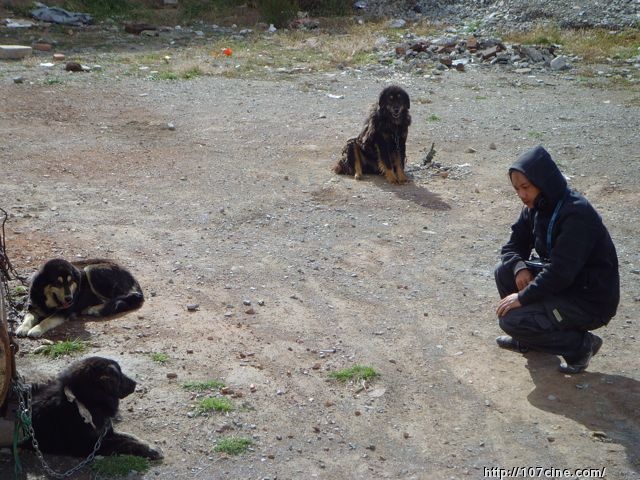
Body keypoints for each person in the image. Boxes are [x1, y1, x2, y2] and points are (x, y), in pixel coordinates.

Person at [494, 145, 619, 374]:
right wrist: (520, 268)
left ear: (544, 182)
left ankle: (581, 346)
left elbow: (561, 271)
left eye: (526, 187)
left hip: (589, 298)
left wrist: (523, 297)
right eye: (516, 189)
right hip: (564, 284)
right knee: (505, 271)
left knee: (511, 320)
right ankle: (529, 339)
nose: (522, 195)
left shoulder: (576, 214)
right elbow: (512, 246)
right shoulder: (535, 207)